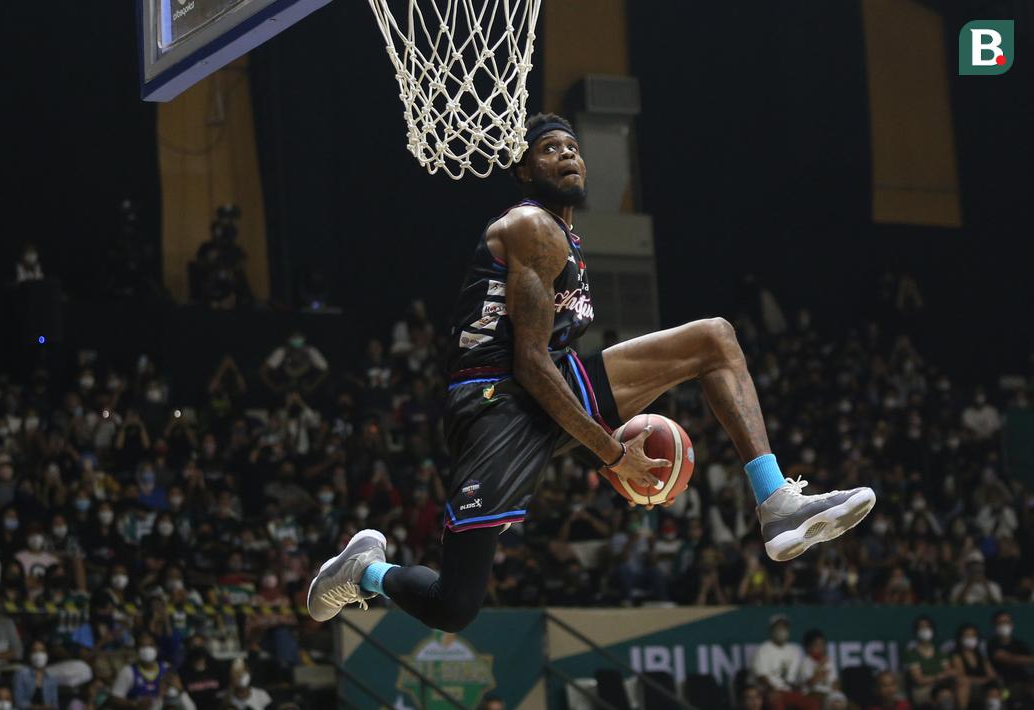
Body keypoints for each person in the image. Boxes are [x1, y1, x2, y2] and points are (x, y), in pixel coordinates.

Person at [305, 112, 875, 629]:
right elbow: (528, 363)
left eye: (573, 148)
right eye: (550, 149)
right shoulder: (530, 226)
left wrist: (602, 442)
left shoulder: (566, 240)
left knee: (715, 339)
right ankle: (365, 572)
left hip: (546, 382)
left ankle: (776, 504)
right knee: (455, 605)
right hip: (493, 403)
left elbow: (543, 363)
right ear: (524, 169)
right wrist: (610, 452)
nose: (568, 156)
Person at [750, 615, 816, 710]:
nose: (782, 630)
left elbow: (795, 679)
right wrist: (772, 689)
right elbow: (761, 677)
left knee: (812, 703)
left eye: (784, 627)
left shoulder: (795, 650)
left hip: (789, 691)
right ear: (771, 630)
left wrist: (800, 687)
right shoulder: (763, 650)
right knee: (775, 699)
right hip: (769, 690)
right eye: (778, 627)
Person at [107, 633, 169, 709]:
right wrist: (134, 704)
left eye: (150, 645)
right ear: (137, 650)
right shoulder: (128, 671)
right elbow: (114, 699)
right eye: (143, 646)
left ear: (156, 648)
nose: (147, 650)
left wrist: (179, 689)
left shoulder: (166, 668)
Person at [903, 616, 955, 707]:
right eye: (921, 627)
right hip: (922, 690)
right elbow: (919, 680)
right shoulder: (912, 654)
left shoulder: (940, 652)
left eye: (927, 627)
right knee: (944, 696)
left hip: (942, 688)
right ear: (916, 631)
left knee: (950, 692)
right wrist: (938, 677)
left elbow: (948, 672)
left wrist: (938, 677)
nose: (925, 630)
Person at [988, 610, 1034, 702]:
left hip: (1024, 682)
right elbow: (1007, 658)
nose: (1003, 625)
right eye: (1000, 623)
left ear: (1012, 624)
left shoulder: (1020, 645)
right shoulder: (992, 644)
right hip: (1003, 686)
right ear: (994, 625)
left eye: (1006, 622)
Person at [950, 623, 997, 710]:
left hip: (983, 687)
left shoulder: (981, 656)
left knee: (994, 690)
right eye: (967, 636)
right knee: (963, 686)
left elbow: (992, 675)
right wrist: (983, 680)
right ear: (960, 638)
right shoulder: (956, 656)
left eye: (973, 635)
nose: (970, 638)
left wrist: (986, 680)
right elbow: (962, 677)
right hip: (968, 688)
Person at [795, 629, 839, 703]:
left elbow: (835, 682)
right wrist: (820, 665)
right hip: (811, 694)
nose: (821, 648)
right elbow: (810, 683)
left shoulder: (829, 661)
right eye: (817, 645)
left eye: (822, 644)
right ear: (809, 647)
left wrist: (837, 694)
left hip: (829, 694)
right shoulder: (805, 663)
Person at [12, 640, 58, 710]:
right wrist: (38, 708)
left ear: (47, 654)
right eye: (35, 651)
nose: (39, 654)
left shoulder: (52, 677)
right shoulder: (21, 675)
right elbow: (18, 702)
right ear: (29, 655)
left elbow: (55, 704)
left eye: (42, 651)